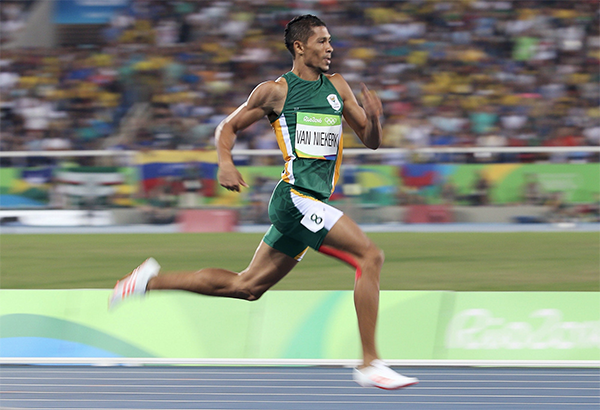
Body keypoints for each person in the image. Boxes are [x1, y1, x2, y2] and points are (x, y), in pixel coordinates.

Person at [109, 14, 418, 390]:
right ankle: (370, 363)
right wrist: (225, 161)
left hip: (311, 203)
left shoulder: (338, 86)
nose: (330, 48)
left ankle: (148, 283)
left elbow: (371, 140)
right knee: (371, 256)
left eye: (330, 41)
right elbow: (228, 126)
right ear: (299, 47)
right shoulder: (276, 91)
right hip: (294, 199)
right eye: (322, 41)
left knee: (246, 287)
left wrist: (374, 119)